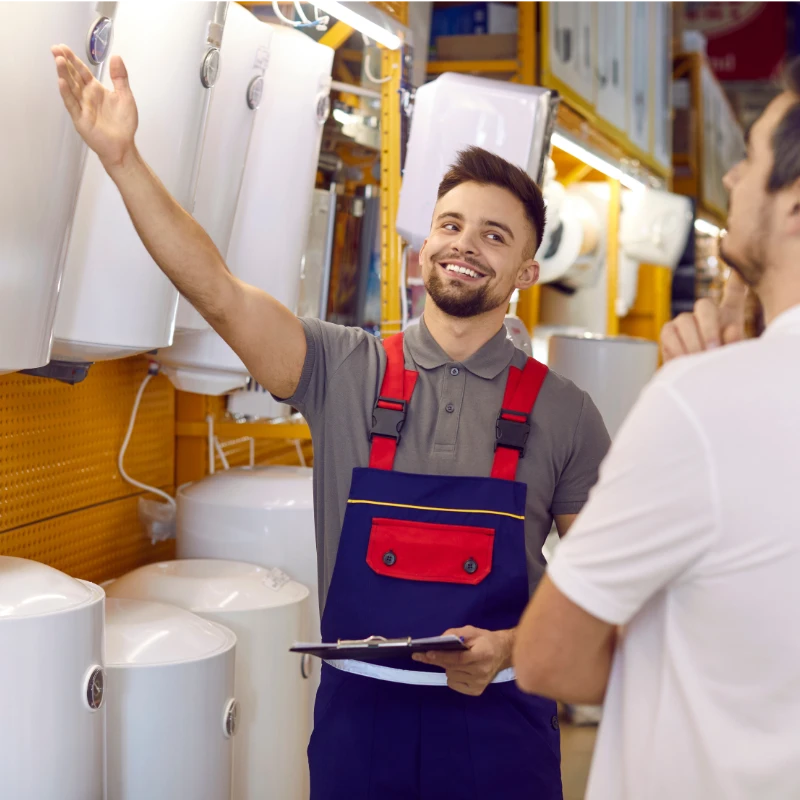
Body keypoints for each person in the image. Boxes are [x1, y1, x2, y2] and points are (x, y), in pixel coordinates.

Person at [51, 46, 610, 798]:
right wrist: (122, 161)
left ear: (525, 274)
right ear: (422, 249)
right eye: (450, 225)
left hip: (500, 728)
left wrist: (515, 644)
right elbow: (215, 291)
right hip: (360, 730)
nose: (464, 246)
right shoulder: (344, 367)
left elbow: (604, 581)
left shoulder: (565, 412)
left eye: (494, 236)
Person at [513, 58, 800, 800]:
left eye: (751, 159)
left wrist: (698, 389)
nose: (730, 181)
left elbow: (550, 661)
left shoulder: (701, 401)